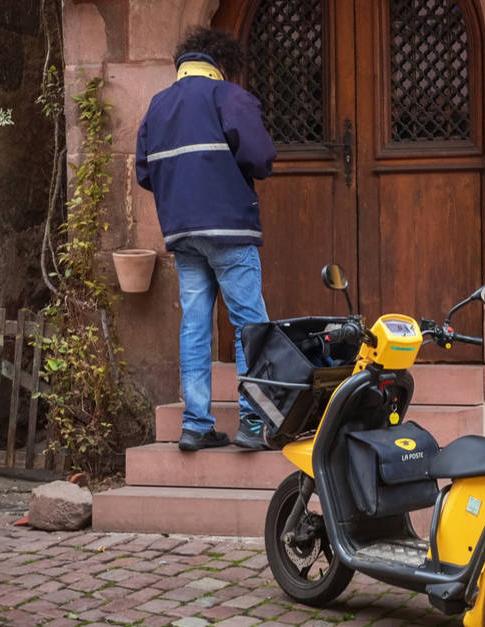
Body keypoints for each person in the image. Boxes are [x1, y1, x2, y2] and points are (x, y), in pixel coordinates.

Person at [135, 27, 276, 451]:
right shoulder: (226, 96)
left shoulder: (157, 107)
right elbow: (261, 157)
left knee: (195, 324)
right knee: (249, 323)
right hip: (228, 227)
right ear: (222, 64)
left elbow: (144, 172)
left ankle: (196, 423)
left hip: (182, 231)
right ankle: (253, 421)